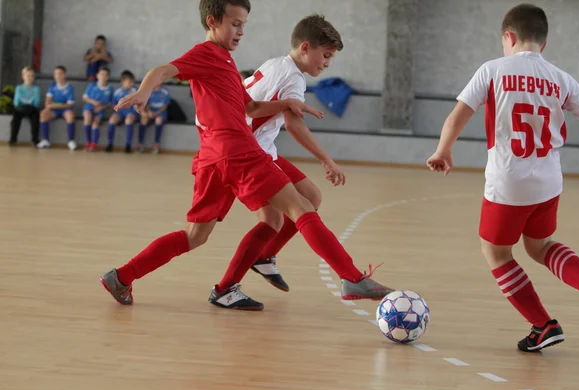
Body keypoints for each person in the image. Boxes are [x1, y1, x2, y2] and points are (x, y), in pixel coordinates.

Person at [100, 0, 394, 311]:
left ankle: (122, 277)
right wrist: (145, 90)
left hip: (212, 158)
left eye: (244, 25)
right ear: (212, 22)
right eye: (235, 24)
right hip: (238, 151)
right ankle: (350, 277)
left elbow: (250, 108)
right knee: (301, 206)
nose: (241, 31)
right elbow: (163, 70)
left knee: (195, 236)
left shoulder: (228, 61)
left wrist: (287, 105)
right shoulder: (206, 54)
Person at [426, 3, 579, 352]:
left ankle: (543, 324)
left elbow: (456, 116)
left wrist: (444, 149)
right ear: (544, 44)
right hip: (549, 181)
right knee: (541, 246)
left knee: (496, 252)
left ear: (508, 37)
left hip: (508, 182)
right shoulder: (561, 78)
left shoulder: (493, 69)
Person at [232, 13, 346, 292]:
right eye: (326, 55)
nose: (328, 63)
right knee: (275, 219)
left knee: (311, 196)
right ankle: (228, 284)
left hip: (258, 146)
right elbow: (294, 126)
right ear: (305, 47)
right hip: (248, 153)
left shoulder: (276, 63)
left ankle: (263, 257)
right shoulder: (294, 78)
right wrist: (327, 160)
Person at [38, 66, 77, 150]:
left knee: (70, 116)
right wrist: (50, 106)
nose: (58, 76)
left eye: (60, 74)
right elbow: (47, 102)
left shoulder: (70, 88)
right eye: (56, 74)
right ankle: (46, 140)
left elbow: (69, 104)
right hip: (54, 110)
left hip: (65, 109)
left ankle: (71, 141)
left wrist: (55, 105)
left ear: (65, 75)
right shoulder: (52, 86)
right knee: (43, 114)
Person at [82, 67, 114, 151]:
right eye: (101, 74)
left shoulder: (110, 89)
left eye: (105, 75)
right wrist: (93, 102)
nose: (103, 76)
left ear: (108, 77)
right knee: (87, 117)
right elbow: (85, 97)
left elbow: (111, 103)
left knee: (95, 124)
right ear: (97, 76)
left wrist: (102, 107)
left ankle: (94, 144)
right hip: (89, 107)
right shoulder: (92, 85)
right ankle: (88, 142)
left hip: (100, 110)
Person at [108, 70, 138, 153]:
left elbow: (137, 104)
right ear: (123, 81)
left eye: (132, 81)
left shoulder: (135, 91)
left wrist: (133, 112)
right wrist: (116, 109)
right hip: (120, 113)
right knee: (112, 120)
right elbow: (113, 105)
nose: (131, 83)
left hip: (132, 112)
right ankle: (110, 144)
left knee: (129, 119)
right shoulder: (117, 92)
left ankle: (128, 145)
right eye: (129, 81)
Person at [10, 66, 40, 146]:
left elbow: (36, 103)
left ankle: (35, 140)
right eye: (28, 75)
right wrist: (23, 105)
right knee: (15, 119)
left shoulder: (36, 89)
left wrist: (28, 104)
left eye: (32, 76)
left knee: (35, 118)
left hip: (32, 109)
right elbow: (16, 102)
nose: (30, 78)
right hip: (20, 109)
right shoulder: (19, 88)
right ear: (23, 76)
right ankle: (13, 139)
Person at [138, 85, 170, 153]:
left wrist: (156, 113)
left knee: (158, 120)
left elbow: (165, 106)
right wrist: (149, 112)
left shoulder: (165, 92)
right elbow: (146, 104)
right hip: (150, 112)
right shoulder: (149, 91)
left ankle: (156, 143)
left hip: (160, 113)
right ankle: (140, 144)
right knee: (143, 119)